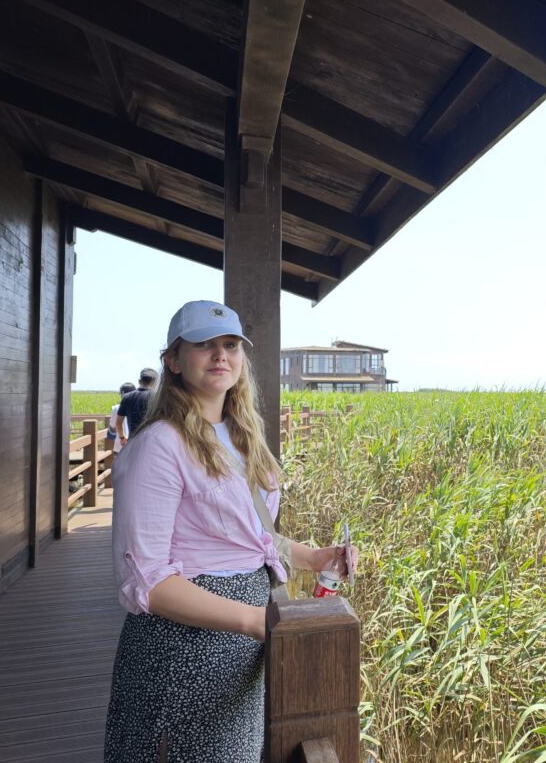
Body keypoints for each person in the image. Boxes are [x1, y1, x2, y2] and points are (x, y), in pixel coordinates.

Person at [105, 300, 357, 762]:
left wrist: (316, 558)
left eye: (230, 345)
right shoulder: (159, 445)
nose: (220, 355)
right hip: (183, 647)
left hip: (243, 642)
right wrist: (258, 622)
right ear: (174, 362)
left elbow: (254, 539)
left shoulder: (240, 435)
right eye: (204, 345)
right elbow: (148, 583)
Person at [115, 367, 158, 445]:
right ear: (155, 382)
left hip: (133, 442)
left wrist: (122, 437)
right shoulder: (159, 398)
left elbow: (118, 423)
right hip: (153, 443)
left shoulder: (127, 397)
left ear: (139, 381)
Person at [106, 382, 135, 461]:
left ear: (122, 393)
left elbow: (113, 425)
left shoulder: (116, 408)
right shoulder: (138, 406)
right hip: (135, 443)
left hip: (120, 443)